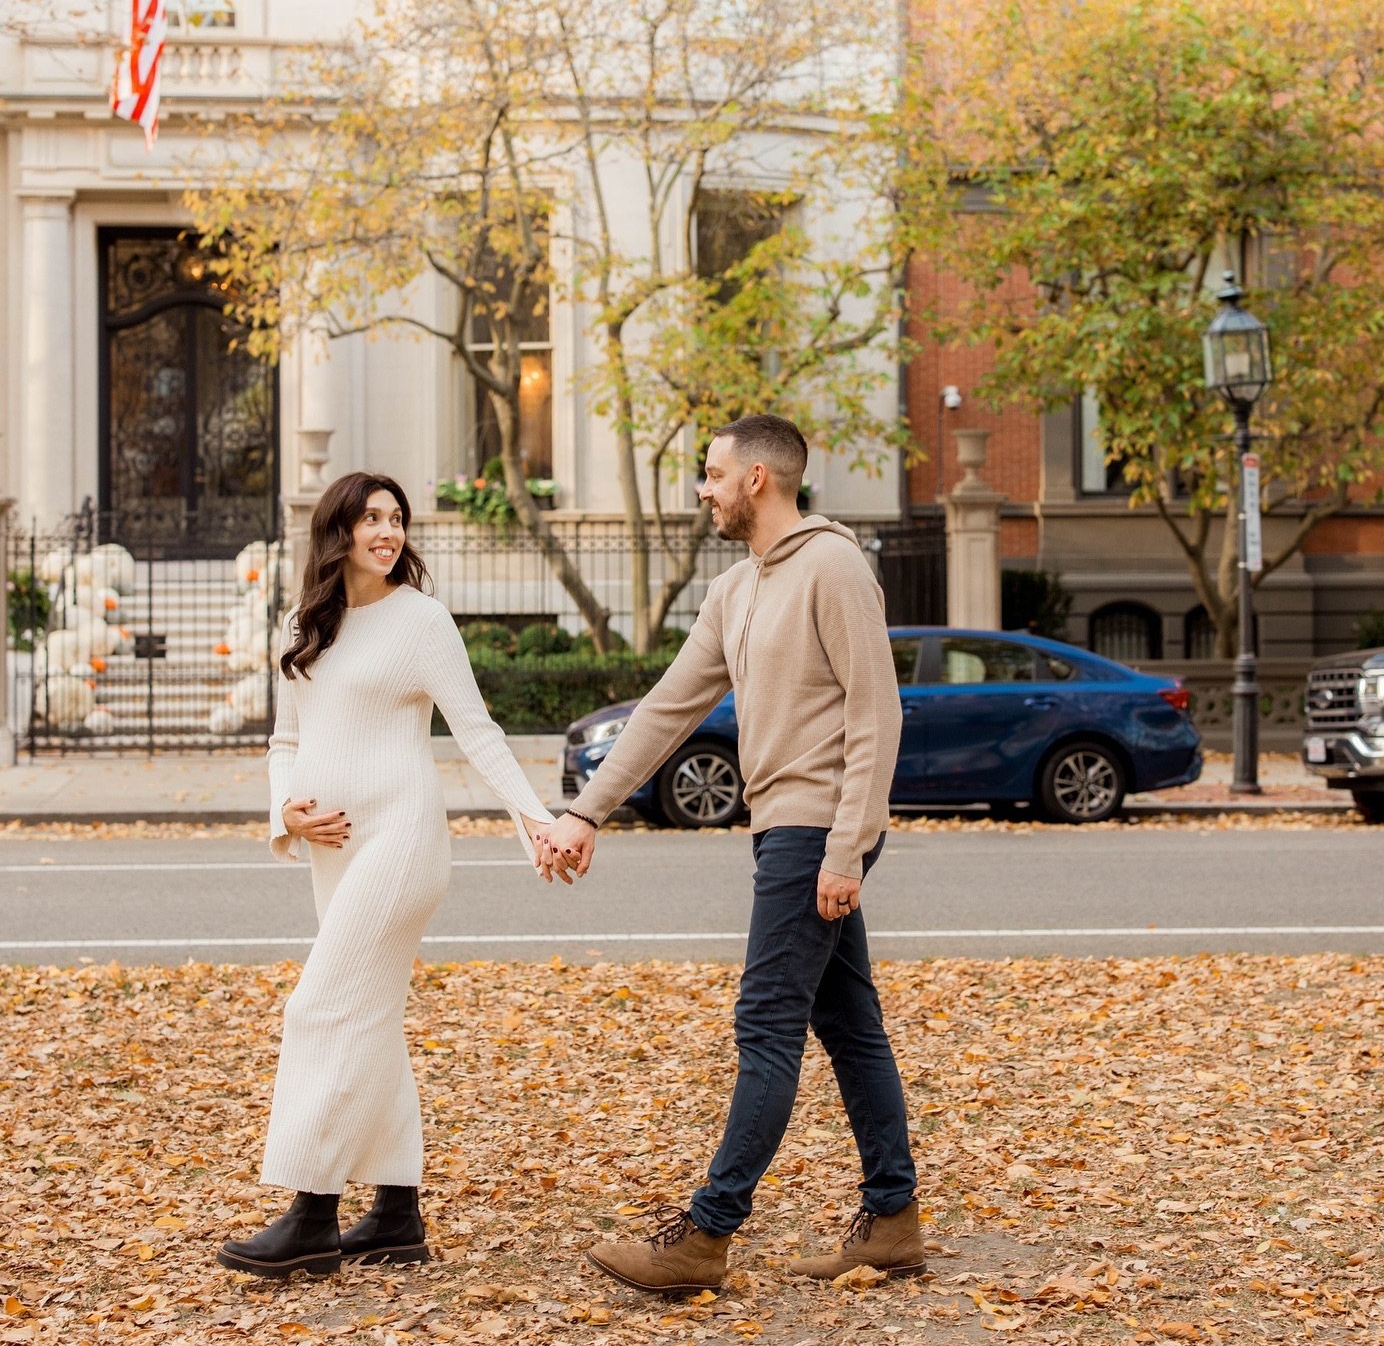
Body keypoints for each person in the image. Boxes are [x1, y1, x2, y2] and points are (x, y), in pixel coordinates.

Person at [536, 414, 922, 1294]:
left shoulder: (834, 566)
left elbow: (877, 715)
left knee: (766, 1024)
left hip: (817, 829)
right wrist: (586, 811)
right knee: (849, 1024)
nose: (702, 489)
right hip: (786, 828)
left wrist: (847, 848)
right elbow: (668, 708)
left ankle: (704, 1235)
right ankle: (893, 1218)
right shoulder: (735, 590)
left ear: (757, 477)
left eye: (711, 474)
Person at [217, 471, 558, 1280]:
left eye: (396, 518)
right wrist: (285, 816)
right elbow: (283, 742)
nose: (388, 530)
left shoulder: (422, 621)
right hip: (332, 851)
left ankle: (311, 1210)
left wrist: (536, 818)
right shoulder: (304, 622)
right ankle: (398, 1213)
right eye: (371, 517)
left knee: (320, 1007)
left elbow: (478, 732)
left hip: (401, 842)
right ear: (337, 530)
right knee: (370, 1016)